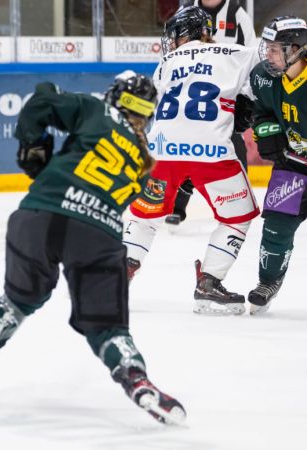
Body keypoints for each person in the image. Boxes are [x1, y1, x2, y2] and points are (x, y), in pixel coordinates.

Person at [0, 72, 187, 425]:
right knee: (106, 325)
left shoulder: (95, 110)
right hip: (96, 231)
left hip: (37, 215)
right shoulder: (142, 164)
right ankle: (136, 380)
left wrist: (33, 147)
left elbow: (42, 98)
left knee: (18, 300)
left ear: (116, 97)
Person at [123, 6, 261, 315]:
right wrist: (248, 106)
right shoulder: (235, 53)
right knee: (237, 216)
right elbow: (264, 74)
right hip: (210, 153)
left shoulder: (165, 63)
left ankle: (118, 276)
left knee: (143, 216)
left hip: (161, 154)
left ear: (182, 35)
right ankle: (209, 283)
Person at [168, 0, 256, 226]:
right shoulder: (185, 9)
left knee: (233, 145)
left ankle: (238, 203)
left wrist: (245, 95)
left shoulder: (238, 14)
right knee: (183, 145)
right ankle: (177, 206)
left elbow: (252, 58)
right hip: (191, 96)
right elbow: (171, 51)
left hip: (226, 94)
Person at [246, 16, 307, 314]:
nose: (267, 54)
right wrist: (268, 132)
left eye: (274, 49)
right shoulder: (266, 77)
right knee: (276, 227)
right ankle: (268, 281)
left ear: (296, 49)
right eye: (267, 47)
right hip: (293, 164)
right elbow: (264, 111)